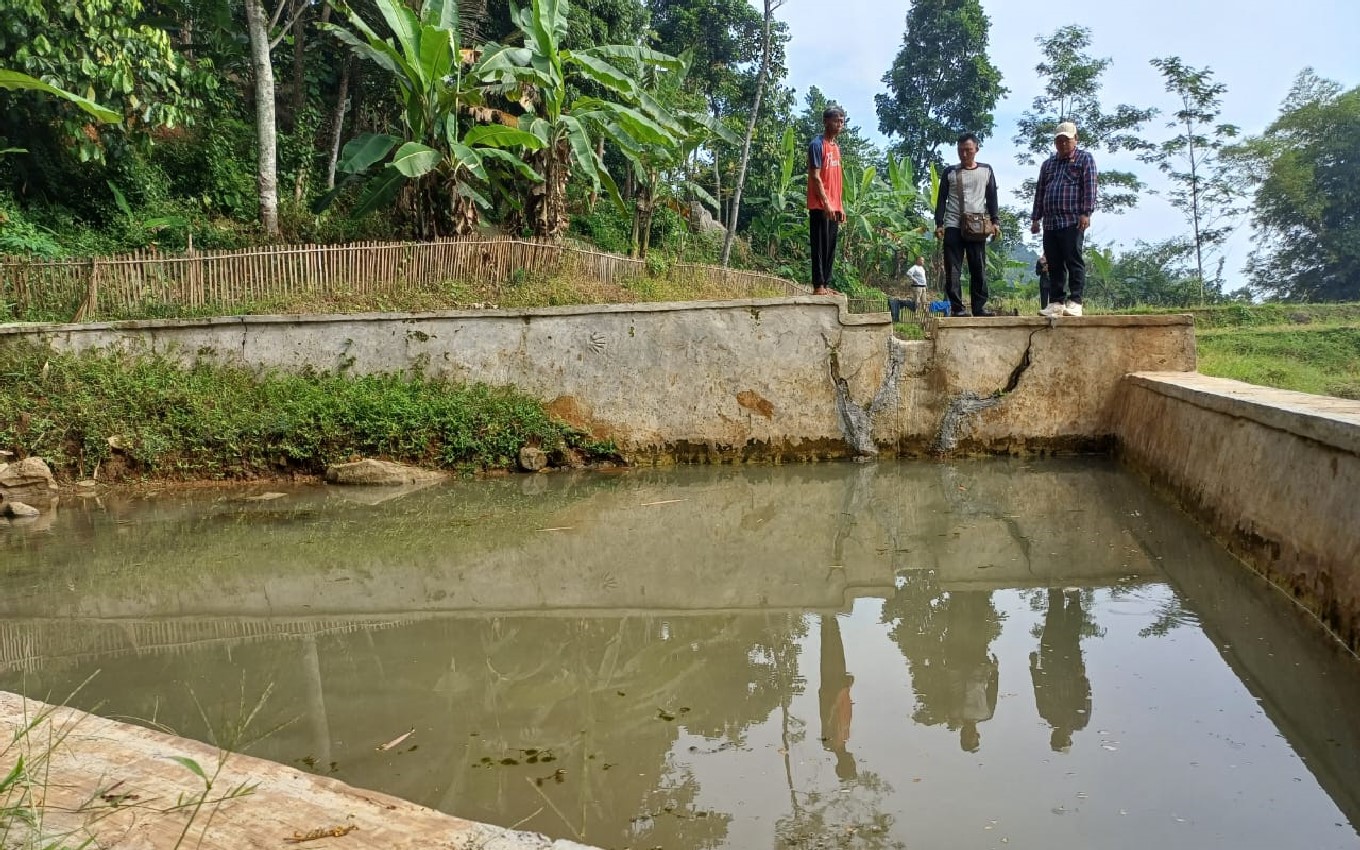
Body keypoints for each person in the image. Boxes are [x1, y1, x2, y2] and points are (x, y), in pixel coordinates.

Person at [1031, 121, 1097, 318]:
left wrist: (1086, 212)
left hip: (1072, 220)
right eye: (1059, 141)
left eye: (1066, 140)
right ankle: (1056, 301)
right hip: (1050, 222)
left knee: (1073, 260)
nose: (1062, 144)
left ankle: (1075, 301)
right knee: (1053, 262)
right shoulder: (1048, 164)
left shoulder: (1084, 159)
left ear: (1075, 139)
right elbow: (1040, 191)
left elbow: (1090, 186)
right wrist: (1036, 218)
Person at [934, 133, 1000, 317]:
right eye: (960, 150)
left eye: (968, 150)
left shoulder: (986, 171)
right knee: (953, 268)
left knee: (978, 267)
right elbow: (941, 200)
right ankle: (957, 308)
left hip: (977, 226)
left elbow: (992, 197)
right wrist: (939, 223)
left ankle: (979, 308)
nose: (964, 154)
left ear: (976, 150)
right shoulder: (950, 172)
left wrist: (996, 221)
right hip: (953, 224)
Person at [807, 105, 846, 296]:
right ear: (826, 122)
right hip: (820, 205)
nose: (839, 124)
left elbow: (837, 179)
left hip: (834, 206)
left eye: (842, 121)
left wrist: (839, 205)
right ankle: (818, 285)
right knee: (820, 245)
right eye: (836, 120)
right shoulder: (817, 144)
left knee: (831, 245)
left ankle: (826, 283)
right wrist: (826, 203)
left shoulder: (836, 148)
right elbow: (815, 176)